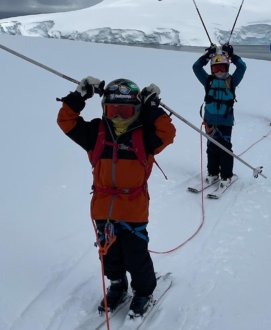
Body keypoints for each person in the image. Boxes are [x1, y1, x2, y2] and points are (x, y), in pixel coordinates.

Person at [57, 77, 176, 317]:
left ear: (137, 110)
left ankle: (143, 292)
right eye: (113, 110)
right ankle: (117, 284)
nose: (119, 117)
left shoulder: (145, 136)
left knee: (136, 255)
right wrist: (79, 96)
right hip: (103, 208)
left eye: (125, 110)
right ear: (104, 109)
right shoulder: (95, 133)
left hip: (133, 209)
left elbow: (167, 132)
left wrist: (152, 108)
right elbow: (66, 121)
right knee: (108, 253)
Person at [192, 43, 247, 188]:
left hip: (225, 121)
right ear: (211, 69)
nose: (219, 71)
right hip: (210, 121)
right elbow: (196, 67)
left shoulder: (232, 81)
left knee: (225, 148)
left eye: (222, 68)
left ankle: (226, 175)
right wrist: (208, 56)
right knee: (211, 148)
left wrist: (232, 56)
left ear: (227, 68)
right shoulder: (208, 81)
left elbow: (242, 67)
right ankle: (213, 172)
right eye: (216, 68)